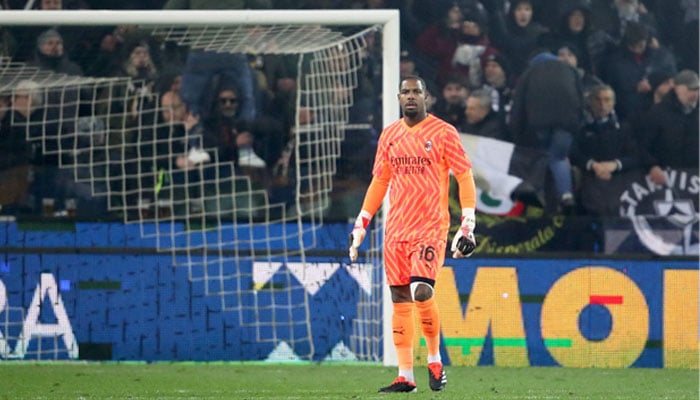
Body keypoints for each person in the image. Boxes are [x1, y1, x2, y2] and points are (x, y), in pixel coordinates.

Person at [348, 76, 477, 393]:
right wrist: (362, 222)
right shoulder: (389, 135)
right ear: (398, 97)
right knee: (400, 299)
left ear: (426, 97)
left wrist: (468, 220)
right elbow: (380, 181)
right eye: (405, 91)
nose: (410, 96)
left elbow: (464, 173)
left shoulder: (443, 132)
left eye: (416, 92)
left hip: (430, 226)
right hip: (396, 230)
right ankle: (405, 375)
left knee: (421, 290)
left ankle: (435, 360)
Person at [639, 69, 699, 187]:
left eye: (697, 89)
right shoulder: (657, 113)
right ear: (677, 88)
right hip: (667, 179)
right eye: (690, 89)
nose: (695, 94)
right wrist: (652, 166)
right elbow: (642, 145)